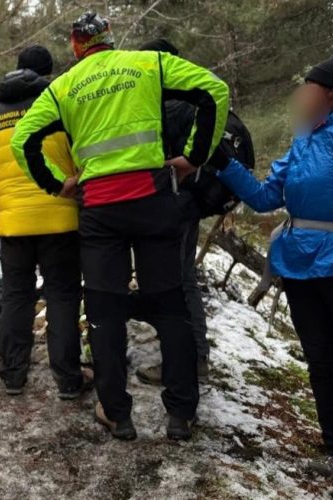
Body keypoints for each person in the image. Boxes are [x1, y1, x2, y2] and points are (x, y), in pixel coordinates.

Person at [12, 12, 229, 441]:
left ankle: (117, 414)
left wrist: (59, 185)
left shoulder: (63, 87)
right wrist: (194, 157)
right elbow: (214, 91)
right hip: (153, 198)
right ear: (109, 39)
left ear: (75, 45)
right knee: (170, 308)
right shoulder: (149, 64)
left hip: (99, 210)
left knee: (105, 314)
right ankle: (181, 414)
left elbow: (24, 140)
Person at [213, 49, 333, 500]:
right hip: (300, 266)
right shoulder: (305, 138)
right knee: (320, 362)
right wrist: (224, 161)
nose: (303, 96)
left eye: (312, 89)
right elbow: (265, 198)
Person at [0, 46, 91, 399]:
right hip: (60, 221)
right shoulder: (56, 108)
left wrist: (7, 205)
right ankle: (69, 379)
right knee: (62, 297)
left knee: (16, 298)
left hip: (14, 227)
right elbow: (80, 157)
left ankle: (13, 375)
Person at [135, 38, 210, 385]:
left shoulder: (162, 106)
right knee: (185, 280)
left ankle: (182, 366)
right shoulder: (194, 101)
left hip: (168, 205)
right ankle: (196, 358)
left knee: (173, 284)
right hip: (190, 204)